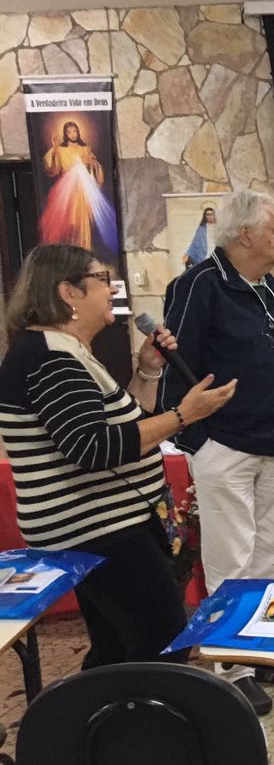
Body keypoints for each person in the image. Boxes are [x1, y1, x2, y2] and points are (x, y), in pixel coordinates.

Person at [0, 245, 235, 668]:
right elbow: (94, 448)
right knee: (161, 640)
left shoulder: (65, 349)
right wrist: (183, 415)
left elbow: (122, 424)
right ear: (68, 292)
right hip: (98, 529)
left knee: (116, 647)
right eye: (103, 280)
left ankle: (107, 711)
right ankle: (142, 712)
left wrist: (148, 369)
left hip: (104, 526)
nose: (112, 289)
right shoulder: (51, 357)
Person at [158, 190, 274, 716]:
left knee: (273, 556)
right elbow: (177, 363)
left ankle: (268, 652)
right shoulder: (199, 284)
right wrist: (200, 441)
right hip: (226, 445)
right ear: (244, 234)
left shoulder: (272, 289)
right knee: (231, 560)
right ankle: (233, 667)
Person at [40, 120, 118, 253]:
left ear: (78, 132)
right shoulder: (61, 150)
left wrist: (91, 163)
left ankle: (84, 249)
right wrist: (54, 148)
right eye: (69, 132)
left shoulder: (85, 149)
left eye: (74, 131)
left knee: (83, 221)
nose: (72, 134)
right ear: (65, 134)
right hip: (67, 190)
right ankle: (71, 251)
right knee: (70, 222)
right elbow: (52, 167)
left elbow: (95, 167)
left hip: (83, 188)